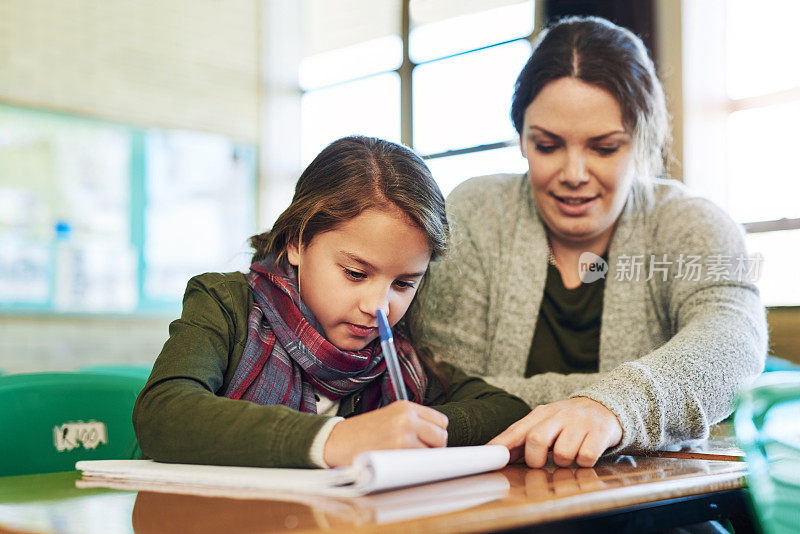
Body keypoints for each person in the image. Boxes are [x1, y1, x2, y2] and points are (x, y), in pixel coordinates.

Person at [409, 16, 767, 469]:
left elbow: (732, 348)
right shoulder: (476, 212)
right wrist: (634, 408)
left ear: (641, 141)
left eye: (603, 147)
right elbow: (447, 389)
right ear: (521, 138)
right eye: (548, 145)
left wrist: (612, 408)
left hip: (654, 502)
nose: (574, 174)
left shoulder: (691, 222)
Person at [133, 135, 530, 469]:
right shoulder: (226, 304)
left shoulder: (400, 354)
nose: (379, 307)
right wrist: (338, 438)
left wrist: (410, 428)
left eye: (404, 283)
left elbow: (505, 409)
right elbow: (163, 413)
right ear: (296, 242)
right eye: (356, 274)